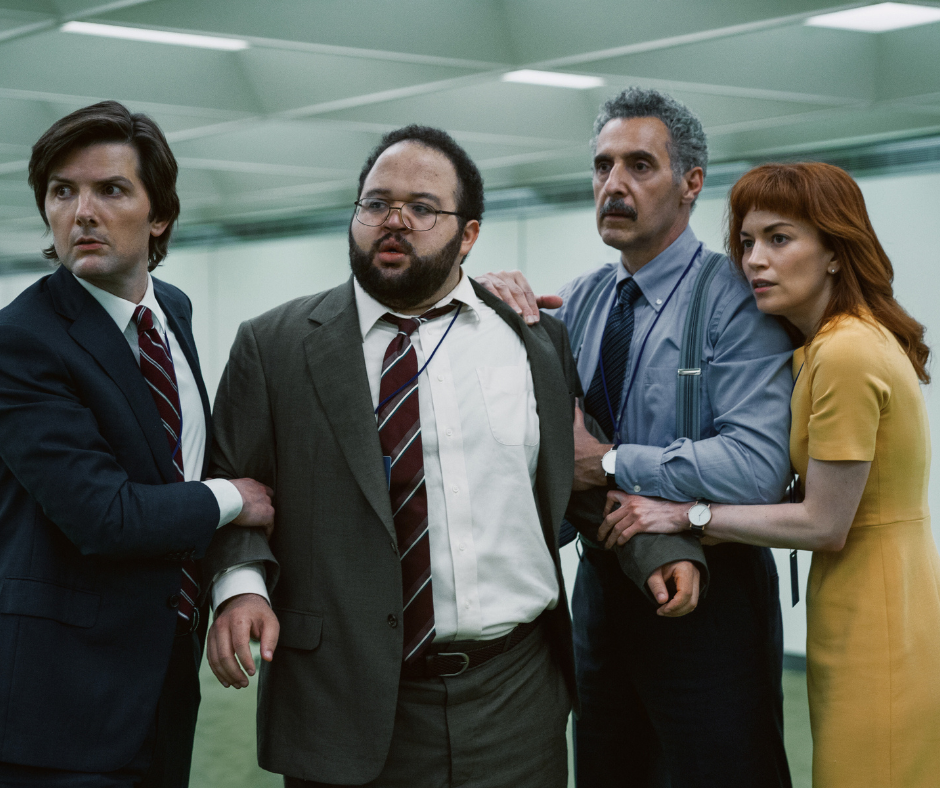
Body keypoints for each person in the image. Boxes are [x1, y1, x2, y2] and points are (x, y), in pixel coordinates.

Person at [202, 125, 581, 788]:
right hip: (342, 698)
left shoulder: (535, 340)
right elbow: (234, 488)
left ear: (469, 235)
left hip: (515, 698)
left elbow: (574, 475)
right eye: (376, 204)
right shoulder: (275, 346)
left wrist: (662, 547)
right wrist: (241, 587)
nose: (395, 221)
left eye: (423, 208)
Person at [477, 87, 795, 787]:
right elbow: (541, 446)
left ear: (690, 184)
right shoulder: (582, 299)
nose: (613, 185)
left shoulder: (737, 299)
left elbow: (757, 466)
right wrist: (495, 320)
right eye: (602, 166)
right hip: (600, 590)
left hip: (711, 596)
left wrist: (611, 461)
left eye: (639, 166)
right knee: (607, 768)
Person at [601, 161, 940, 788]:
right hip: (867, 594)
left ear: (836, 252)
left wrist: (685, 514)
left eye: (779, 239)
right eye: (748, 242)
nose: (754, 260)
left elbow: (825, 522)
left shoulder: (845, 352)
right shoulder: (826, 345)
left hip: (878, 613)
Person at [0, 101, 274, 788]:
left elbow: (172, 458)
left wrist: (236, 581)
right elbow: (103, 515)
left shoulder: (170, 310)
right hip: (57, 705)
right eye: (63, 192)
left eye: (110, 190)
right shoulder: (22, 340)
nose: (81, 212)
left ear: (158, 217)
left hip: (161, 684)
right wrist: (230, 499)